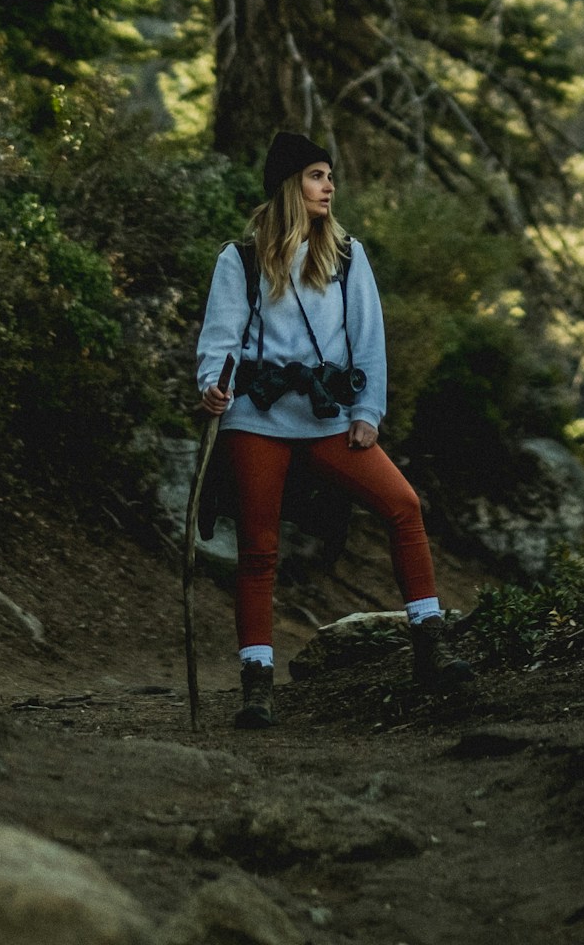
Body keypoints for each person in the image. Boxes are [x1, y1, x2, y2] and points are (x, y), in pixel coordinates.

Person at [195, 127, 470, 730]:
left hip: (327, 419)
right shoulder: (239, 258)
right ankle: (257, 684)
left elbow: (367, 339)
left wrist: (367, 412)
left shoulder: (347, 254)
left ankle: (431, 642)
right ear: (292, 185)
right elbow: (220, 340)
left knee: (403, 506)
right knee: (259, 551)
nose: (329, 186)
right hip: (255, 418)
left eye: (330, 176)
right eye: (318, 175)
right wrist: (213, 384)